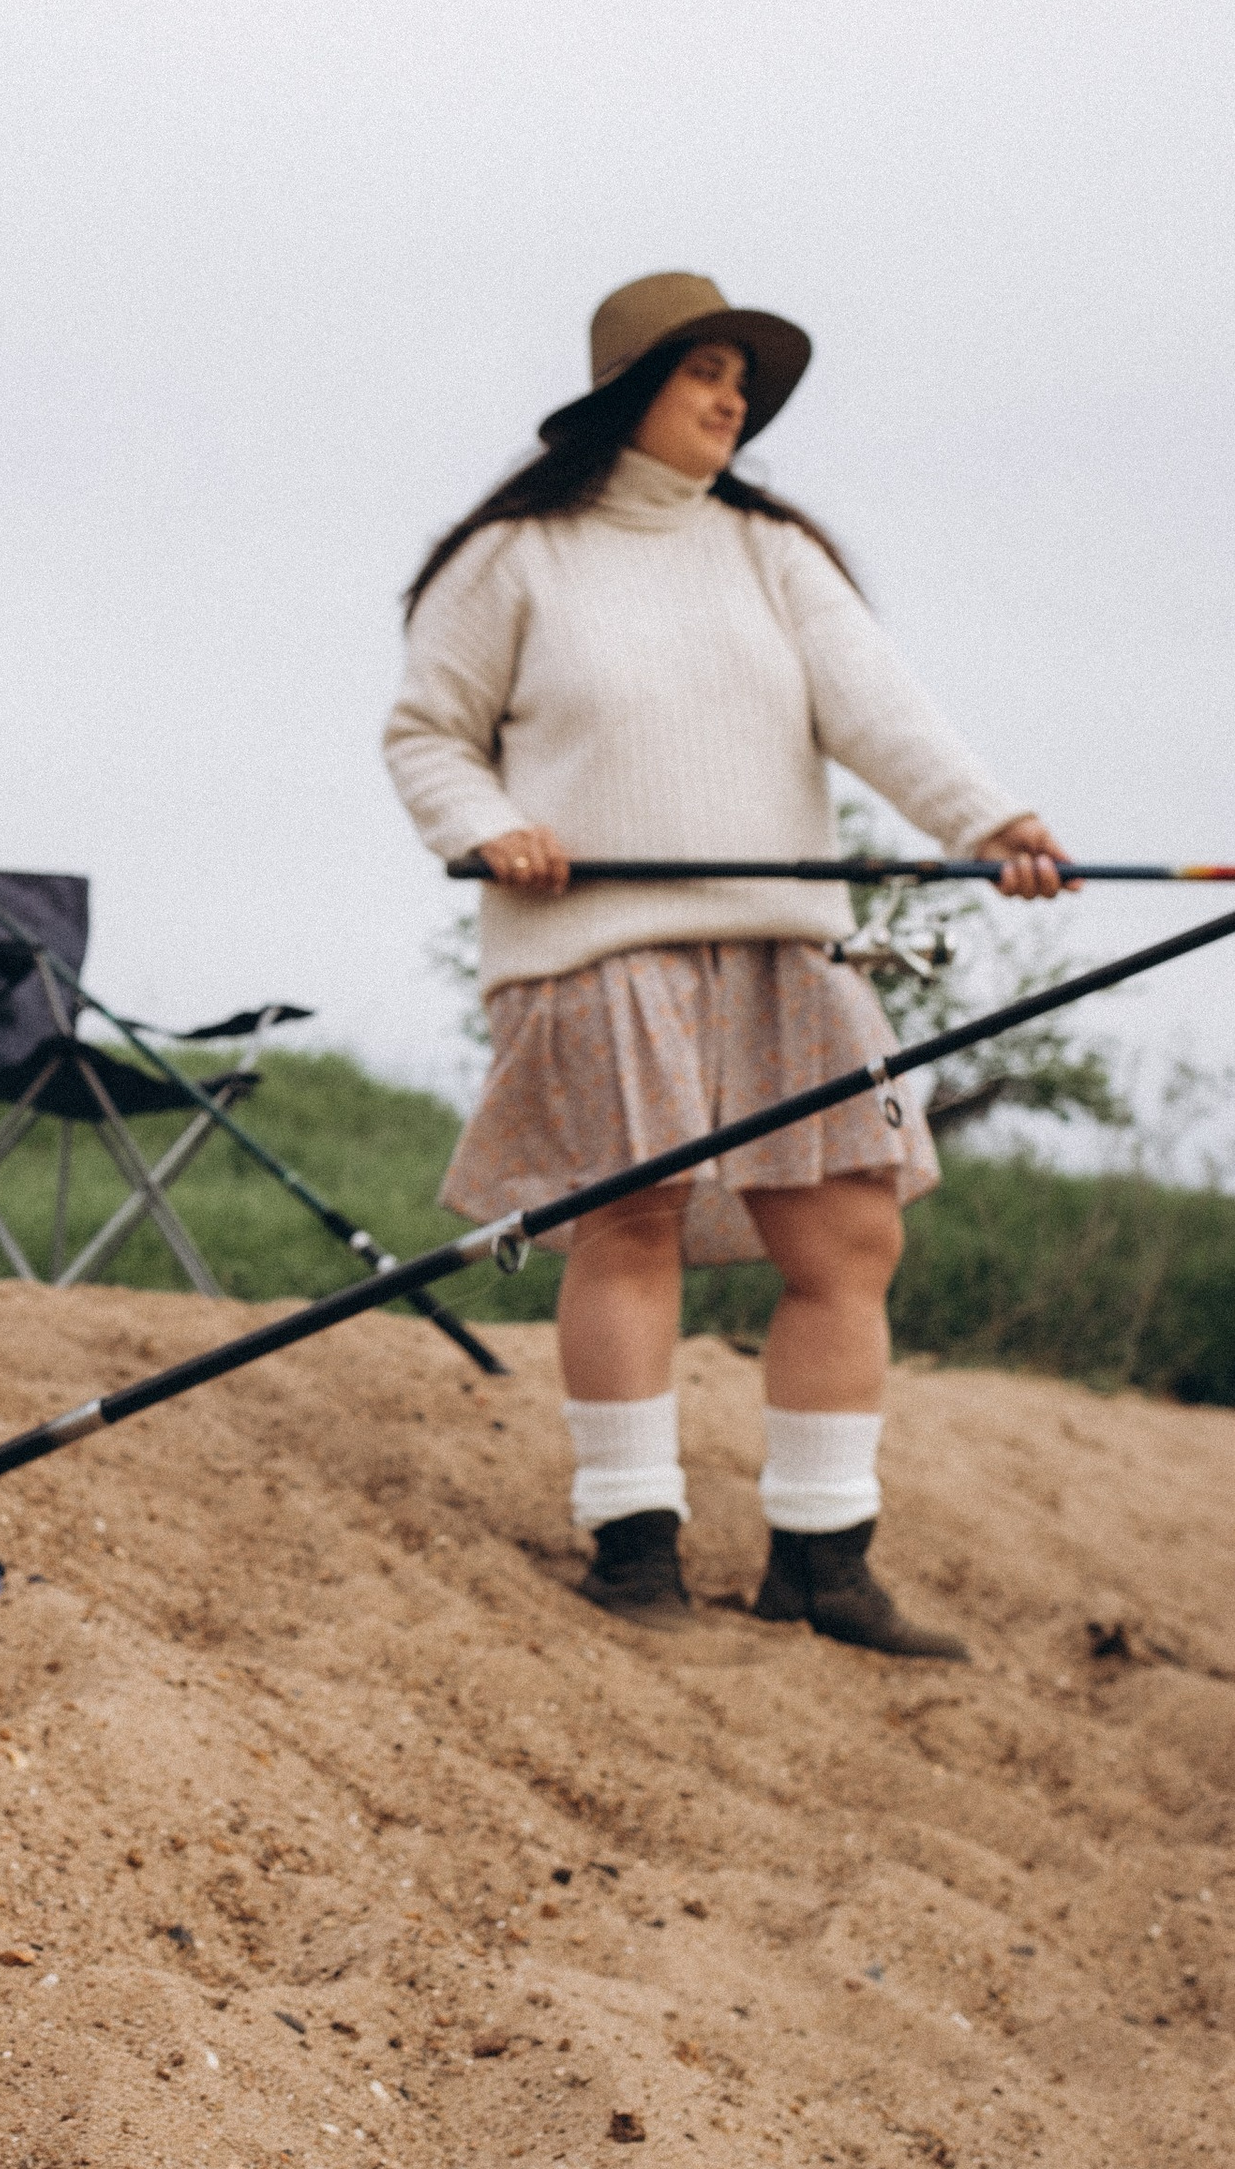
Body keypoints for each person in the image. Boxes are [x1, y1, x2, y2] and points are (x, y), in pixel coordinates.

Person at [386, 273, 1068, 1658]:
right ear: (628, 393)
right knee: (631, 1221)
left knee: (851, 1230)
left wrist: (988, 823)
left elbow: (881, 709)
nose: (729, 403)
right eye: (704, 374)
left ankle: (823, 1562)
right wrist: (492, 829)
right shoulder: (515, 555)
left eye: (742, 388)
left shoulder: (774, 553)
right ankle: (634, 1549)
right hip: (595, 945)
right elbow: (427, 737)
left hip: (781, 941)